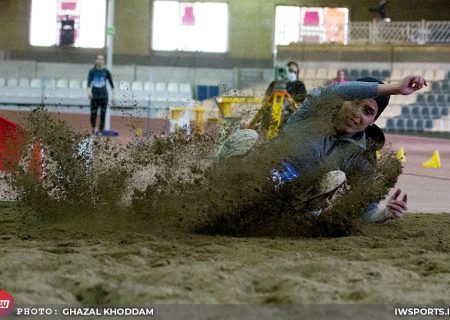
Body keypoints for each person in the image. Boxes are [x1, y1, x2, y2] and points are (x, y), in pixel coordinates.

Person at [220, 75, 427, 223]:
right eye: (354, 103)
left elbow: (367, 209)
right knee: (251, 139)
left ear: (372, 121)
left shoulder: (361, 156)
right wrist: (393, 89)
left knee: (333, 178)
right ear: (342, 102)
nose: (357, 113)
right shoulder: (312, 112)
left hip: (287, 204)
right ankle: (227, 166)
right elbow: (336, 90)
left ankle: (306, 209)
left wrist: (383, 215)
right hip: (255, 176)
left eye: (367, 111)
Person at [87, 54, 115, 135]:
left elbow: (111, 84)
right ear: (96, 61)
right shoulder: (92, 71)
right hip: (94, 96)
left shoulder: (106, 72)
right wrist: (89, 92)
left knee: (103, 114)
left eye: (102, 59)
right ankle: (93, 127)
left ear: (103, 61)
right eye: (98, 59)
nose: (100, 60)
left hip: (104, 96)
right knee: (93, 113)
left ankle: (100, 130)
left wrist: (113, 95)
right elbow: (89, 83)